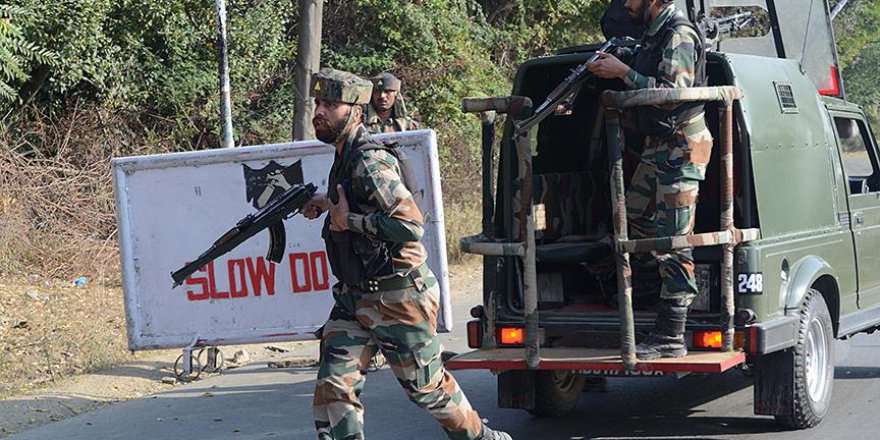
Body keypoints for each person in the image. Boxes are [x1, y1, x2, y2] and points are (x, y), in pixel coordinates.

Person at [302, 68, 511, 440]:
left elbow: (411, 225)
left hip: (399, 296)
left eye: (330, 105)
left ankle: (483, 438)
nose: (319, 111)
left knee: (427, 389)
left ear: (354, 112)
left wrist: (348, 221)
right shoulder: (344, 153)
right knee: (334, 385)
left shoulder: (370, 162)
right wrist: (327, 203)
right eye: (318, 103)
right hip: (357, 295)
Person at [587, 0, 711, 360]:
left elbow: (671, 95)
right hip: (660, 145)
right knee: (634, 220)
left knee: (674, 239)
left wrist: (623, 72)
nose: (626, 3)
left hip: (682, 145)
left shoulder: (680, 35)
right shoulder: (654, 35)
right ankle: (646, 291)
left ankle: (671, 332)